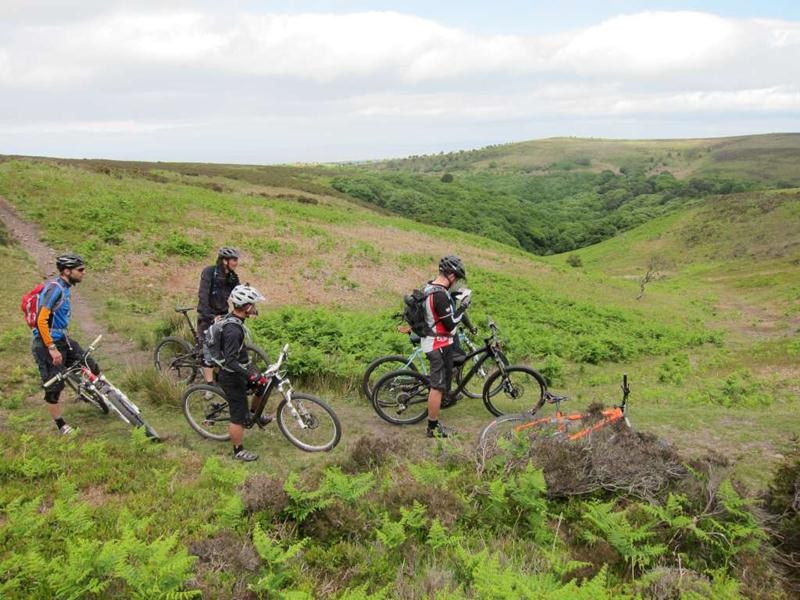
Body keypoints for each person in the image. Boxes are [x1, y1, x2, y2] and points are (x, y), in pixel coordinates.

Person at [31, 253, 102, 435]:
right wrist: (52, 348)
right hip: (47, 343)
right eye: (80, 270)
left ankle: (96, 392)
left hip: (62, 338)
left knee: (89, 363)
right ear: (67, 271)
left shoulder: (65, 287)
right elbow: (41, 320)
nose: (83, 272)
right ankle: (61, 425)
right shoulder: (54, 289)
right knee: (54, 386)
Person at [421, 255, 472, 438]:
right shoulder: (440, 294)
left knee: (441, 383)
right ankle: (432, 428)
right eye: (456, 278)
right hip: (438, 344)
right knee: (437, 387)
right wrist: (463, 307)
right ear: (450, 275)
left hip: (437, 341)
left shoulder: (430, 287)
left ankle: (437, 415)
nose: (456, 282)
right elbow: (450, 324)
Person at [216, 284, 266, 461]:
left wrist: (252, 373)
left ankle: (252, 416)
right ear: (246, 306)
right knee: (237, 416)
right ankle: (238, 451)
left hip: (242, 368)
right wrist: (249, 374)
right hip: (231, 375)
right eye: (254, 304)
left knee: (262, 385)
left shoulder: (237, 321)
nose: (255, 307)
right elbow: (230, 361)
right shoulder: (233, 331)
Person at [197, 247, 241, 385]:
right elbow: (203, 295)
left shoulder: (232, 276)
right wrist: (209, 316)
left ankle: (219, 374)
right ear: (225, 261)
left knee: (223, 346)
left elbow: (238, 294)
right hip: (207, 315)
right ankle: (209, 386)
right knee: (207, 350)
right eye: (234, 260)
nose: (236, 263)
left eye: (236, 260)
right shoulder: (209, 272)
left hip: (223, 314)